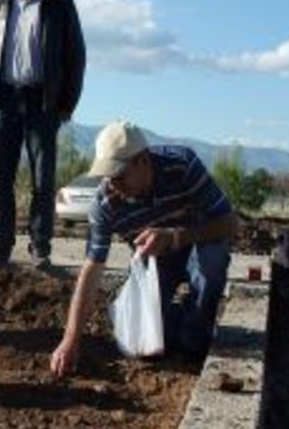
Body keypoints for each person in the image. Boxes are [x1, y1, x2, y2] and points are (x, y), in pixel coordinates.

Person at [50, 122, 237, 377]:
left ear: (143, 161)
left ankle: (195, 338)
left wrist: (174, 237)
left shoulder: (182, 165)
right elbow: (91, 270)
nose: (113, 184)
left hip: (196, 247)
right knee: (143, 344)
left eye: (119, 175)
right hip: (157, 262)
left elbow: (228, 223)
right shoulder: (105, 204)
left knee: (212, 259)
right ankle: (181, 320)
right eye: (108, 176)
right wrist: (70, 340)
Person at [0, 0, 86, 271]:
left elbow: (75, 56)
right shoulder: (0, 5)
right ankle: (0, 245)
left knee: (43, 179)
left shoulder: (60, 4)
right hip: (6, 101)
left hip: (44, 103)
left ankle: (40, 249)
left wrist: (66, 103)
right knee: (1, 178)